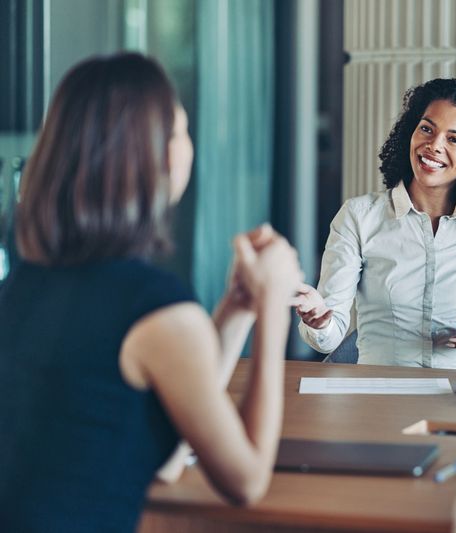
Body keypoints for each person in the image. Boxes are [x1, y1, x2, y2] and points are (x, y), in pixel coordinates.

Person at [0, 53, 303, 532]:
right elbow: (246, 480)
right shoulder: (152, 307)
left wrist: (235, 310)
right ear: (156, 152)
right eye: (181, 129)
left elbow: (162, 452)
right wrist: (273, 312)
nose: (189, 144)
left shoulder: (22, 287)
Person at [295, 78, 456, 370]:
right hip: (382, 393)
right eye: (427, 129)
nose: (433, 146)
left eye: (454, 139)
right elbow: (327, 338)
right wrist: (320, 320)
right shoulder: (359, 217)